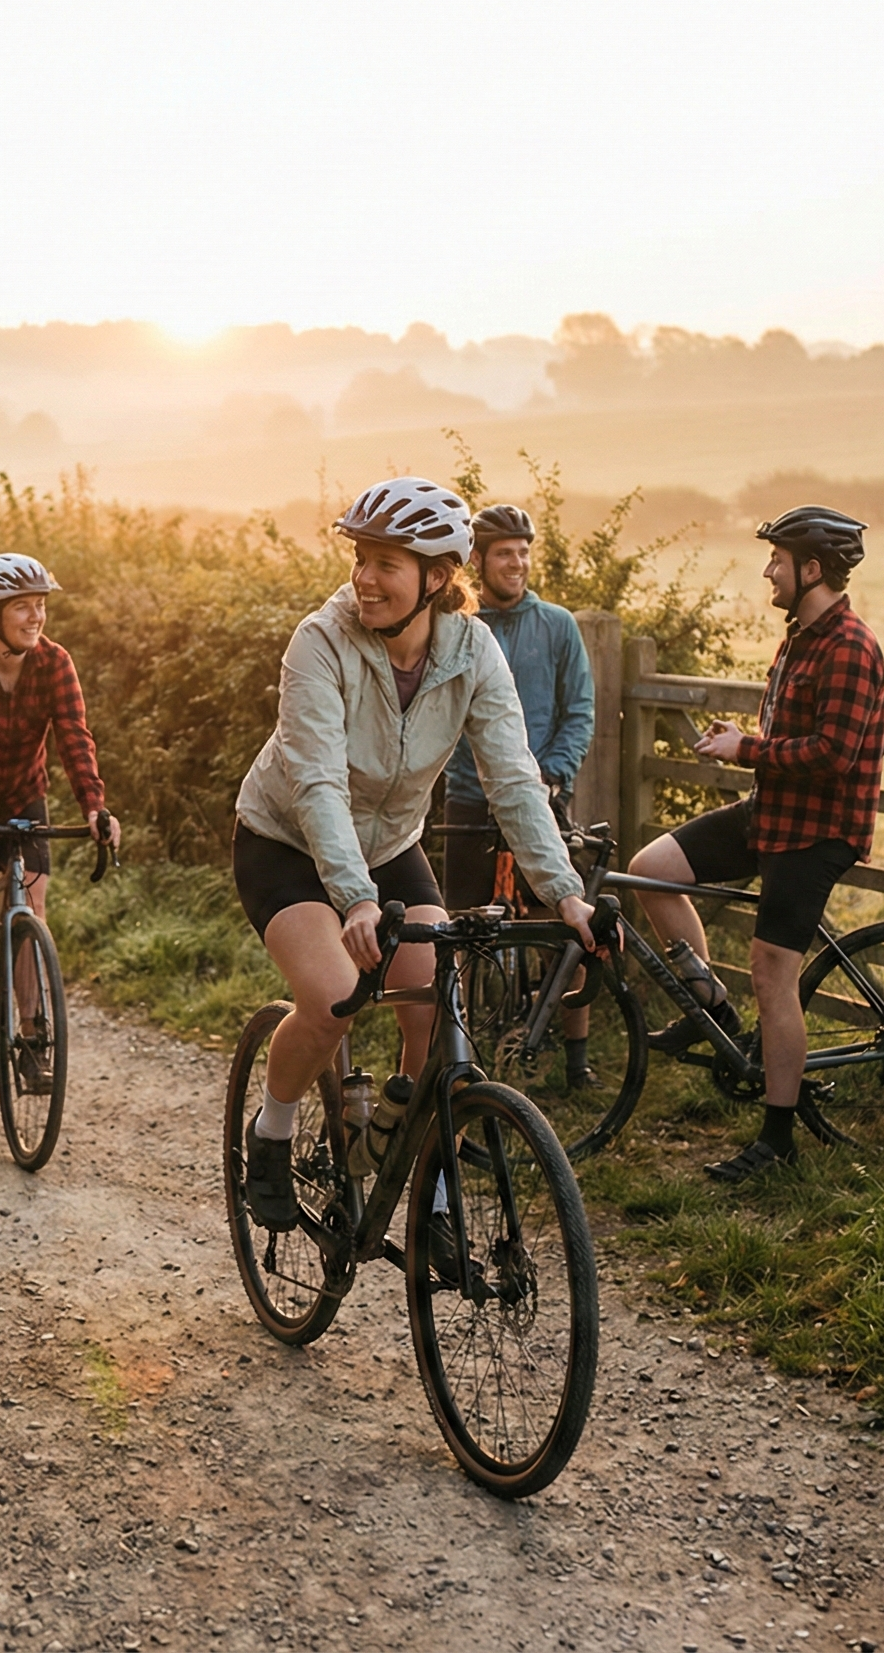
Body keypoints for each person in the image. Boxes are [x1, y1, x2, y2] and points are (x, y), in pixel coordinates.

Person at [230, 477, 600, 1252]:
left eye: (386, 564)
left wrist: (565, 894)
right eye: (361, 558)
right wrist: (355, 900)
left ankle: (423, 1191)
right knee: (333, 997)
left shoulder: (471, 652)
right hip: (288, 843)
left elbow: (512, 776)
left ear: (436, 578)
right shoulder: (320, 641)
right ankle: (272, 1131)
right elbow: (318, 782)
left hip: (390, 847)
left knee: (437, 1004)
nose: (364, 577)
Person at [623, 504, 884, 1182]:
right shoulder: (800, 635)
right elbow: (790, 735)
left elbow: (835, 753)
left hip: (819, 829)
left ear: (812, 568)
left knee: (773, 971)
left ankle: (778, 1139)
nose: (767, 570)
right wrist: (741, 741)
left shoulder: (852, 646)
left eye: (777, 560)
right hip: (772, 810)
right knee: (653, 869)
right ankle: (711, 1004)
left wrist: (749, 748)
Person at [0, 552, 121, 1090]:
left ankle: (32, 1038)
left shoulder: (54, 662)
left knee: (32, 905)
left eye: (41, 607)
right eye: (23, 608)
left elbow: (73, 737)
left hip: (24, 796)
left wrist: (94, 807)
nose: (36, 617)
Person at [440, 503, 600, 1086]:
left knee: (560, 928)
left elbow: (579, 711)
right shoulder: (458, 626)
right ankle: (456, 1052)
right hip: (468, 797)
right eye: (505, 553)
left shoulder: (557, 626)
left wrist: (552, 774)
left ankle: (576, 1063)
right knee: (457, 930)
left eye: (525, 552)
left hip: (544, 797)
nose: (518, 563)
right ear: (477, 560)